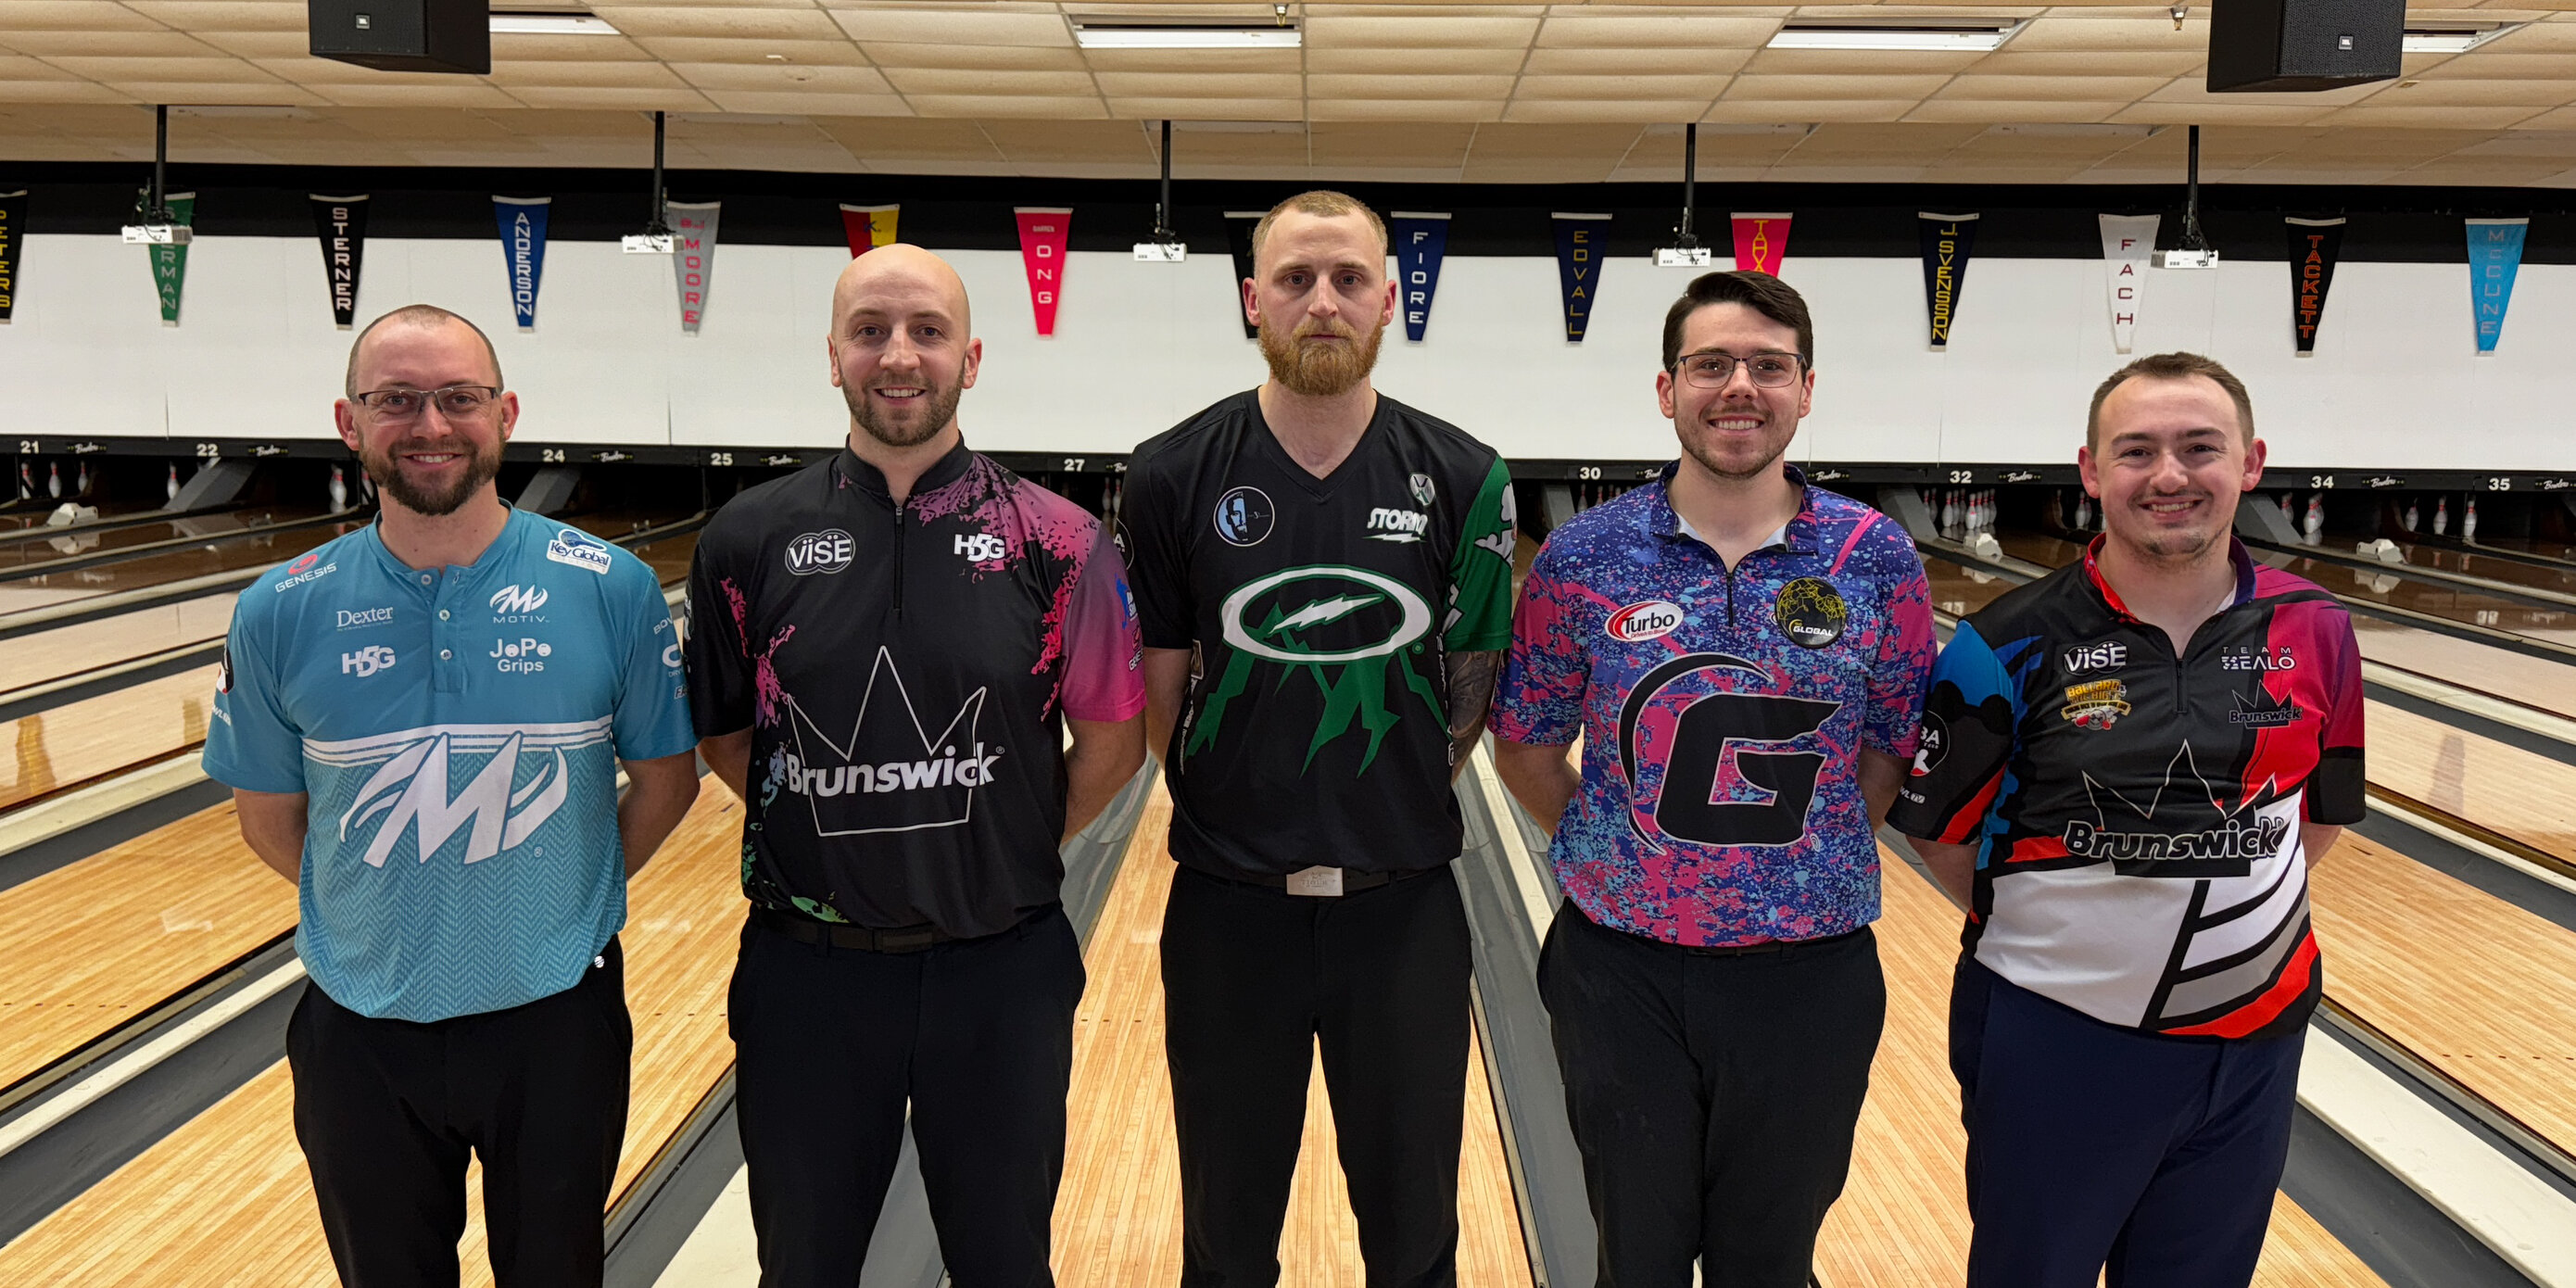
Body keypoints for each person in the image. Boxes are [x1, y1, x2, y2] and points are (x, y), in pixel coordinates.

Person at [205, 304, 701, 1288]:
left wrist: (561, 893)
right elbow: (269, 819)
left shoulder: (610, 587)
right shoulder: (278, 610)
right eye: (396, 400)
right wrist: (384, 903)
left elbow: (668, 781)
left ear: (505, 414)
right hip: (359, 1024)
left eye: (459, 398)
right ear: (349, 423)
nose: (430, 424)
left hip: (556, 1015)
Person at [684, 244, 1145, 1286]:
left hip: (1000, 969)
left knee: (1004, 1266)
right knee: (801, 1269)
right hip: (806, 975)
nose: (899, 355)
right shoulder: (746, 539)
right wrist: (837, 828)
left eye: (927, 332)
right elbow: (726, 736)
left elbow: (1114, 743)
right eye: (870, 331)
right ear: (833, 356)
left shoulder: (1060, 540)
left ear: (970, 359)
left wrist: (1002, 839)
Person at [1490, 270, 1934, 1287]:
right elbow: (1525, 745)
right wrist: (1620, 849)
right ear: (1667, 388)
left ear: (1805, 389)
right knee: (1635, 1261)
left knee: (1768, 1264)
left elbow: (1887, 746)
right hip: (1619, 972)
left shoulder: (1876, 558)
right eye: (1711, 364)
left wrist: (1802, 861)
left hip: (1808, 976)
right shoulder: (1582, 557)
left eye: (1768, 366)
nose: (1740, 386)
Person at [1890, 352, 2363, 1288]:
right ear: (2091, 470)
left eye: (2200, 448)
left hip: (2256, 1038)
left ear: (2251, 463)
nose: (2169, 475)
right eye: (2137, 450)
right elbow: (1937, 831)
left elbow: (2320, 816)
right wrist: (2072, 935)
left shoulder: (2316, 627)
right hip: (2058, 1038)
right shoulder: (2004, 640)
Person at [1120, 189, 1517, 1287]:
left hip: (1403, 914)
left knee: (1413, 1242)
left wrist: (1376, 805)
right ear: (1253, 300)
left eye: (1348, 279)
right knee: (1225, 1241)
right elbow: (1161, 695)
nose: (1322, 301)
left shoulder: (1464, 473)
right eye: (1295, 279)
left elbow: (1468, 689)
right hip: (1225, 912)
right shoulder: (1169, 471)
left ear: (1389, 300)